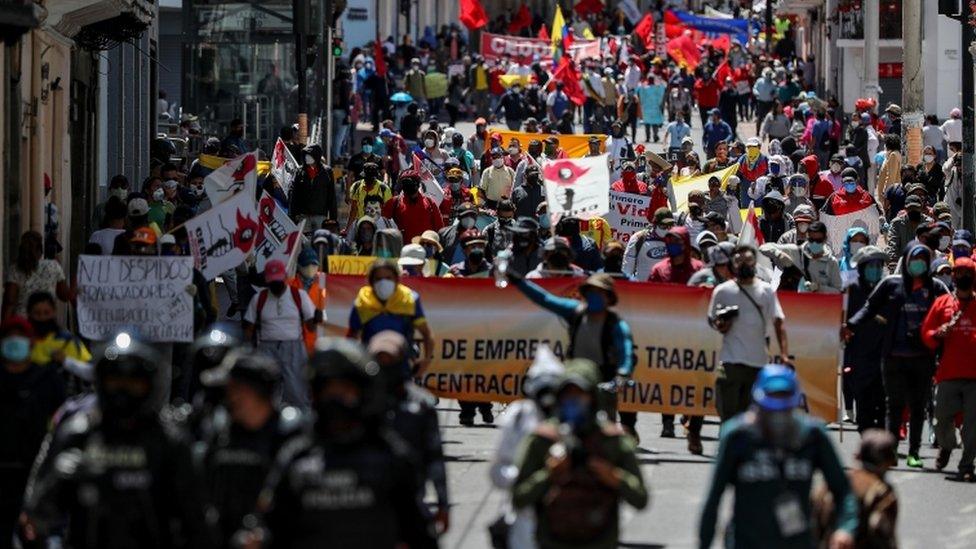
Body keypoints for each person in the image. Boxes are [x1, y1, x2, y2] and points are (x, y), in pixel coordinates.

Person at [22, 332, 214, 548]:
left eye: (134, 383)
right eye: (116, 382)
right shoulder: (78, 434)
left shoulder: (169, 442)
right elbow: (35, 519)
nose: (124, 392)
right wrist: (59, 482)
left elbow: (196, 523)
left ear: (150, 385)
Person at [241, 338, 438, 548]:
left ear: (364, 393)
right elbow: (271, 529)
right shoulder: (296, 458)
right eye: (328, 391)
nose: (335, 400)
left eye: (344, 390)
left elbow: (420, 535)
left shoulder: (391, 459)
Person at [698, 365, 857, 549]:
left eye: (784, 405)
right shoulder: (738, 436)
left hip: (796, 541)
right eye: (771, 406)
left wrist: (845, 528)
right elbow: (714, 496)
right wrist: (704, 542)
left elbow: (843, 490)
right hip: (746, 541)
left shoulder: (812, 436)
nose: (778, 416)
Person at [513, 359, 647, 548]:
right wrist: (549, 474)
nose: (573, 400)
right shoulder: (543, 440)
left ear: (593, 397)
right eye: (567, 394)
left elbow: (640, 498)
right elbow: (518, 498)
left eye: (580, 394)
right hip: (552, 542)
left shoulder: (613, 441)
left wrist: (613, 476)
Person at [845, 243, 948, 468]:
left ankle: (914, 452)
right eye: (914, 259)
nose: (918, 263)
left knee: (918, 406)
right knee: (894, 405)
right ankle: (890, 451)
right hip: (893, 356)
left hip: (923, 357)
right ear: (906, 260)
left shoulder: (937, 288)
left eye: (923, 259)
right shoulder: (891, 284)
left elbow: (950, 310)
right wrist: (851, 325)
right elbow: (869, 308)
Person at [197, 353, 306, 547]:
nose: (228, 397)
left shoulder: (292, 434)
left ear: (254, 391)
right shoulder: (220, 432)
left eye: (233, 389)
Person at [510, 270, 637, 438]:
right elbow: (545, 299)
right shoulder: (575, 312)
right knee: (560, 422)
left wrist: (623, 373)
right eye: (592, 292)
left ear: (608, 297)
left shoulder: (616, 325)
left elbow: (626, 350)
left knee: (605, 430)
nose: (595, 296)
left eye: (600, 293)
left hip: (603, 382)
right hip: (574, 377)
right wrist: (517, 280)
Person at [369, 331, 450, 533]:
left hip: (411, 501)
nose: (385, 368)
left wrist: (443, 503)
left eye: (391, 361)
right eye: (380, 362)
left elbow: (434, 457)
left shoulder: (420, 404)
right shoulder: (361, 402)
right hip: (369, 505)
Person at [0, 317, 65, 548]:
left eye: (21, 336)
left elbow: (61, 419)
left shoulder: (47, 379)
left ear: (30, 342)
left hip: (34, 472)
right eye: (9, 336)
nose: (15, 342)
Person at [490, 345, 563, 549]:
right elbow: (497, 470)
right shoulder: (517, 417)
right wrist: (525, 479)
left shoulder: (573, 416)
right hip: (524, 517)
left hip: (566, 517)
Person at [708, 245, 791, 422]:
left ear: (754, 263)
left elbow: (778, 321)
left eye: (748, 260)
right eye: (739, 261)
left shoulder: (766, 290)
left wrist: (784, 355)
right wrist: (723, 323)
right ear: (733, 264)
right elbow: (713, 321)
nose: (743, 265)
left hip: (757, 363)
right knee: (728, 414)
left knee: (752, 416)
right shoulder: (722, 291)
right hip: (730, 362)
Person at [922, 256, 976, 481]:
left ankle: (966, 465)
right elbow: (927, 333)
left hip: (974, 376)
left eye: (967, 274)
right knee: (942, 417)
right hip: (948, 373)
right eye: (959, 273)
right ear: (953, 276)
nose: (963, 277)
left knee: (972, 426)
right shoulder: (942, 303)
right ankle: (947, 445)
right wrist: (938, 334)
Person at [243, 259, 317, 410]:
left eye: (278, 281)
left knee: (297, 391)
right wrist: (249, 351)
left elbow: (311, 327)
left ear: (285, 277)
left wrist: (316, 317)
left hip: (293, 349)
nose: (275, 285)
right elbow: (248, 328)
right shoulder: (259, 299)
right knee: (267, 393)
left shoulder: (299, 296)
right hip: (266, 349)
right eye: (272, 281)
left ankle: (302, 423)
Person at [813, 430, 899, 549]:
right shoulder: (882, 492)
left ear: (857, 456)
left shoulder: (832, 484)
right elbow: (882, 533)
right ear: (888, 462)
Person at [347, 259, 434, 371]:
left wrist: (426, 360)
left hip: (402, 369)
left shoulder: (410, 300)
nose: (383, 282)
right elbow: (352, 338)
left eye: (388, 278)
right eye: (378, 279)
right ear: (371, 282)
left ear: (397, 280)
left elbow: (426, 334)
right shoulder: (362, 302)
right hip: (371, 369)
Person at [759, 221, 842, 293]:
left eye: (818, 240)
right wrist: (779, 254)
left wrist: (819, 288)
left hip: (819, 307)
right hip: (793, 304)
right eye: (811, 240)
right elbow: (764, 247)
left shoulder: (831, 262)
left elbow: (838, 291)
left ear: (825, 239)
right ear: (807, 237)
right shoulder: (795, 252)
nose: (814, 244)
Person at [2, 231, 69, 319]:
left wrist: (5, 327)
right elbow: (64, 295)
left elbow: (9, 301)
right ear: (41, 250)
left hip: (22, 324)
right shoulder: (53, 266)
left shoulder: (15, 269)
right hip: (46, 322)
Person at [383, 170, 444, 242]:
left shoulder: (429, 202)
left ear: (418, 184)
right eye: (404, 183)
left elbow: (439, 227)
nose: (407, 185)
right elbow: (383, 225)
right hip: (403, 249)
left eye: (410, 182)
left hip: (426, 248)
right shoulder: (394, 202)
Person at [290, 144, 338, 228]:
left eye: (309, 155)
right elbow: (295, 194)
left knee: (320, 239)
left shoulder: (327, 172)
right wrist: (293, 214)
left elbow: (331, 195)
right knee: (304, 240)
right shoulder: (300, 171)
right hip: (303, 215)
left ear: (316, 156)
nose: (306, 157)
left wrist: (333, 217)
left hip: (320, 214)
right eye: (305, 155)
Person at [623, 207, 673, 282]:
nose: (667, 229)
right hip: (642, 289)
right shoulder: (639, 238)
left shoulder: (674, 240)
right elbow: (627, 269)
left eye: (670, 225)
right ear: (655, 224)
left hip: (665, 290)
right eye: (663, 226)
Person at [885, 195, 932, 267]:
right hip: (902, 264)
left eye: (916, 208)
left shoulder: (929, 223)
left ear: (921, 207)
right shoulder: (897, 223)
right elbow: (892, 244)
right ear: (905, 209)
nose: (913, 210)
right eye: (911, 208)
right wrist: (893, 261)